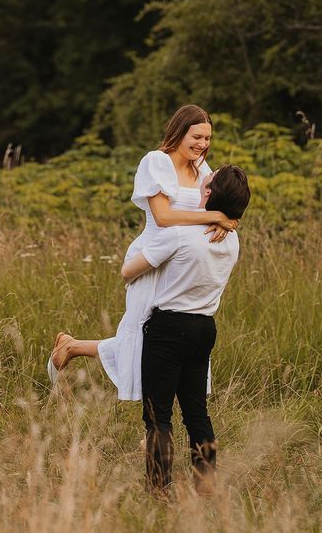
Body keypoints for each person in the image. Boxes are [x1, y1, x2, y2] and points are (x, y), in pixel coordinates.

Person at [47, 104, 237, 399]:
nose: (202, 144)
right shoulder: (157, 162)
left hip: (182, 262)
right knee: (144, 337)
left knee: (167, 341)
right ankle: (153, 419)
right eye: (196, 137)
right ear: (179, 131)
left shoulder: (202, 169)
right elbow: (163, 216)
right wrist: (214, 218)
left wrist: (227, 221)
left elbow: (216, 203)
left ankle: (73, 347)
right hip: (152, 254)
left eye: (208, 139)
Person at [121, 164, 251, 495]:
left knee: (158, 417)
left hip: (168, 327)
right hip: (204, 327)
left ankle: (159, 489)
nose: (202, 175)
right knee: (196, 413)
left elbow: (128, 271)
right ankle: (206, 482)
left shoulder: (179, 234)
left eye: (207, 178)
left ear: (207, 193)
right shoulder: (232, 239)